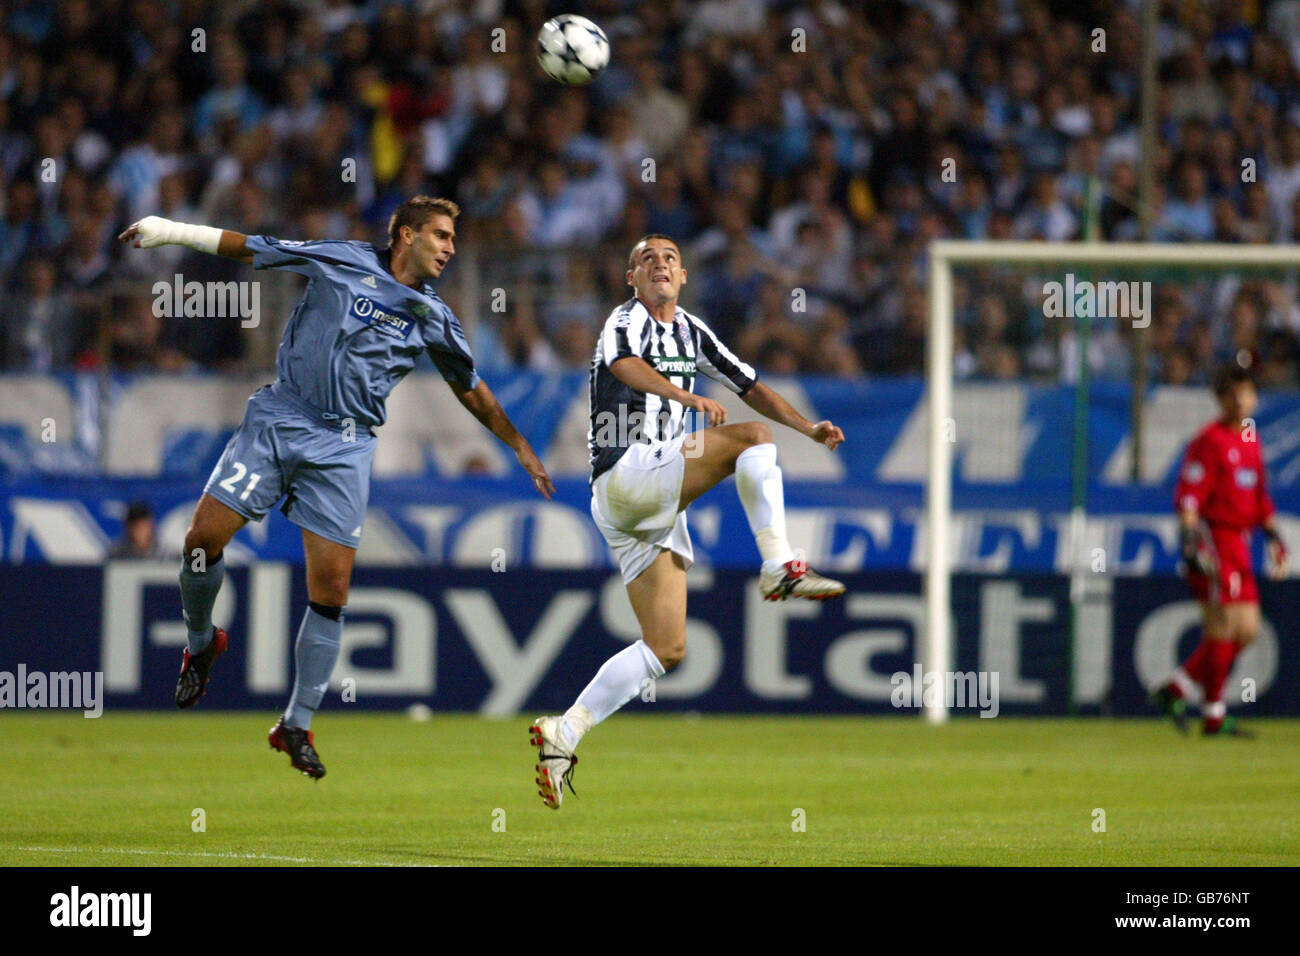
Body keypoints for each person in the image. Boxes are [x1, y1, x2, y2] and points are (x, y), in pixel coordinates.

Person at [118, 196, 554, 778]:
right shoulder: (343, 259)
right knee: (201, 541)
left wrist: (519, 445)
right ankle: (202, 641)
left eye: (453, 238)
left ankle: (295, 724)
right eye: (441, 235)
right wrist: (169, 231)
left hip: (346, 448)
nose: (451, 247)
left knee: (333, 589)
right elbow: (253, 246)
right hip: (280, 418)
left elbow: (471, 388)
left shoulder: (433, 316)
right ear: (405, 235)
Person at [529, 233, 846, 809]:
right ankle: (778, 564)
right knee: (751, 438)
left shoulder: (693, 332)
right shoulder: (622, 320)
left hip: (641, 501)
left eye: (669, 258)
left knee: (667, 647)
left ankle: (565, 731)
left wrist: (812, 429)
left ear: (681, 277)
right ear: (631, 277)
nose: (659, 264)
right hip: (629, 466)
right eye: (645, 258)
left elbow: (750, 386)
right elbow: (624, 366)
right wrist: (687, 397)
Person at [1152, 363, 1286, 736]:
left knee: (1248, 629)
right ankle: (1212, 714)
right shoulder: (1208, 441)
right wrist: (1190, 541)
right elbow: (1190, 497)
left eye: (1247, 392)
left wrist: (1274, 537)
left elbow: (1260, 497)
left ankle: (1176, 688)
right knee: (1225, 625)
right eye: (1234, 393)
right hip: (1215, 541)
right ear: (1221, 399)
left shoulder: (1249, 440)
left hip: (1241, 544)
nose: (1242, 400)